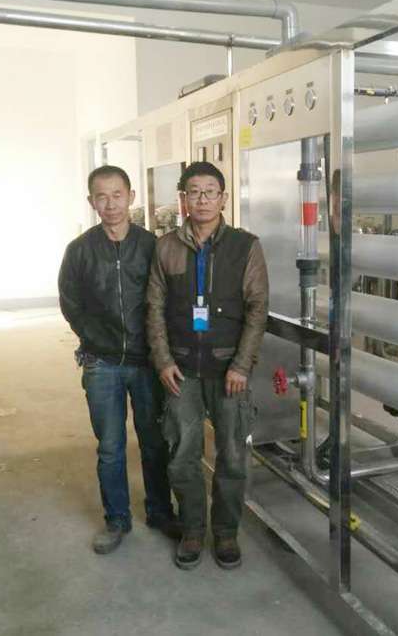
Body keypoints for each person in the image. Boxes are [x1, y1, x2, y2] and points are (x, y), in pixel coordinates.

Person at [147, 161, 268, 570]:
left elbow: (257, 308)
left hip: (228, 369)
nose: (202, 200)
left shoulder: (245, 246)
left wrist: (242, 365)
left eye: (210, 192)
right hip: (180, 370)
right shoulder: (166, 247)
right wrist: (163, 360)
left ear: (223, 198)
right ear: (183, 199)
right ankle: (193, 529)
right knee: (183, 455)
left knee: (232, 457)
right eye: (194, 192)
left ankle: (226, 532)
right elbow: (155, 308)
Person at [59, 165, 179, 554]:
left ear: (130, 197)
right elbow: (71, 303)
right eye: (101, 197)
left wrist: (160, 350)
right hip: (102, 363)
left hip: (147, 361)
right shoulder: (79, 251)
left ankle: (160, 511)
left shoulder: (152, 246)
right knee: (110, 446)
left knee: (154, 442)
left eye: (117, 195)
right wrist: (95, 339)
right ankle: (117, 519)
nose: (110, 204)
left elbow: (167, 300)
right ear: (91, 201)